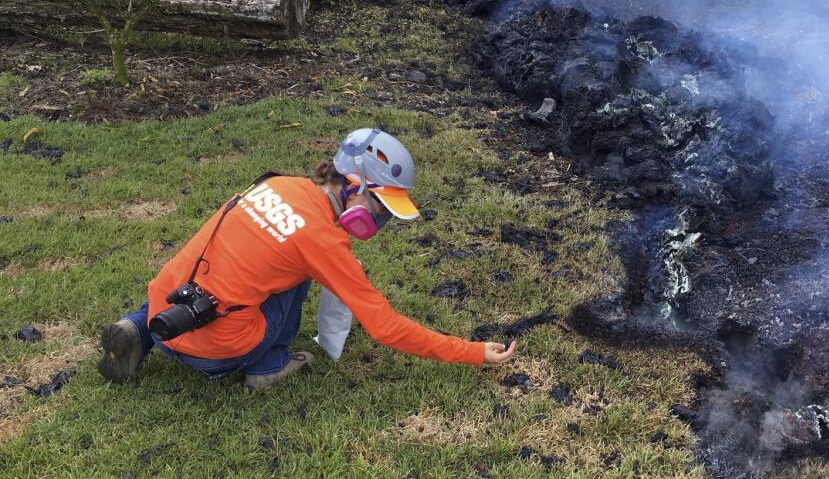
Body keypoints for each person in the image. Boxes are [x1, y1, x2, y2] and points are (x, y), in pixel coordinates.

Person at [97, 128, 516, 390]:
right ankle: (270, 364)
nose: (382, 220)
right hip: (214, 354)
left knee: (222, 262)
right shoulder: (324, 243)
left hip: (162, 314)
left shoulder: (275, 183)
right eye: (382, 208)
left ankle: (135, 329)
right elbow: (386, 327)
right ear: (354, 187)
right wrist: (473, 351)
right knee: (296, 276)